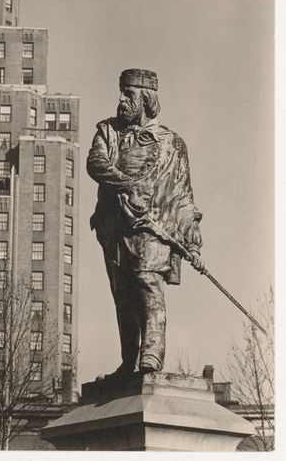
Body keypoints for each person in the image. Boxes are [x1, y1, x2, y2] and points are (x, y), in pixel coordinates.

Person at [87, 68, 204, 376]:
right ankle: (129, 361)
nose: (122, 100)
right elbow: (96, 163)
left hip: (152, 229)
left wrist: (191, 238)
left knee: (147, 282)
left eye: (129, 94)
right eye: (122, 92)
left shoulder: (172, 144)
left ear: (147, 99)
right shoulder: (108, 131)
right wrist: (126, 184)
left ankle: (150, 357)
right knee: (123, 296)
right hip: (115, 228)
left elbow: (183, 197)